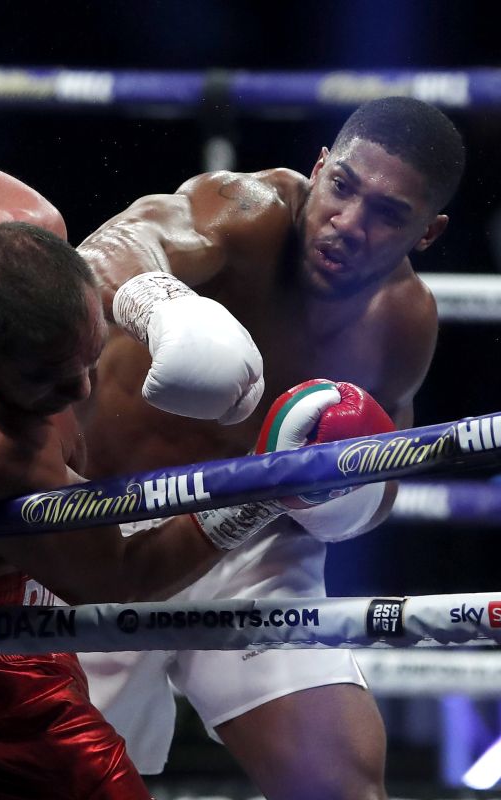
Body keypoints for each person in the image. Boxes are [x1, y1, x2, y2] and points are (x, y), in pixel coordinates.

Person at [0, 167, 386, 799]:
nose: (81, 390)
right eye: (50, 383)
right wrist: (262, 488)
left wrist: (154, 306)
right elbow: (117, 577)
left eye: (90, 358)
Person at [73, 96, 465, 800]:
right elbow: (104, 251)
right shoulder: (245, 210)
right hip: (105, 530)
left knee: (343, 786)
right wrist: (167, 308)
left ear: (427, 232)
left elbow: (386, 479)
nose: (348, 224)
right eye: (342, 187)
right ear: (318, 169)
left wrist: (343, 500)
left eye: (387, 213)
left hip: (249, 544)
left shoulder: (402, 322)